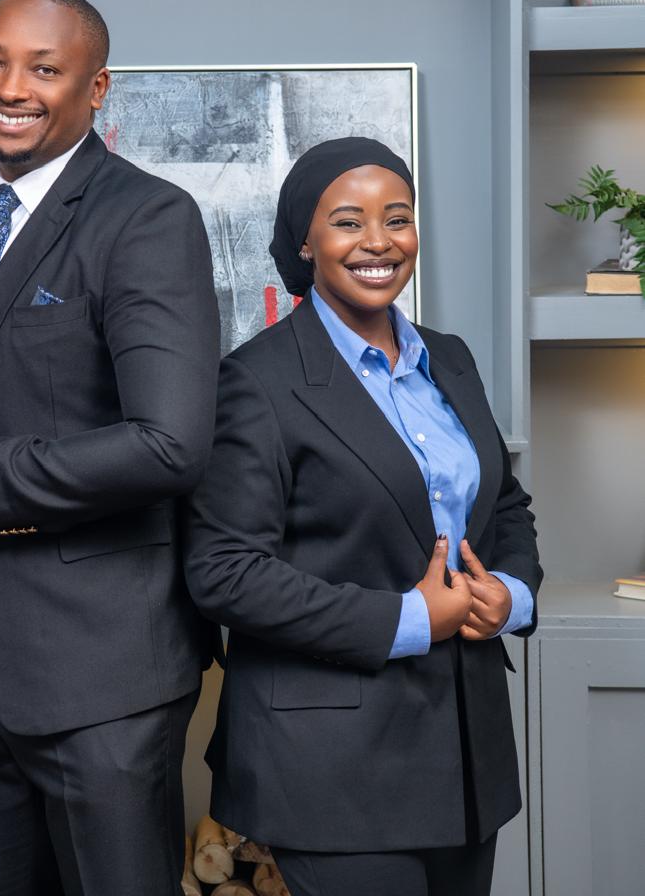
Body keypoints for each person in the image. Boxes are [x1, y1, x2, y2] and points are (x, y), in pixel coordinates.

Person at [0, 0, 220, 896]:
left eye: (44, 68)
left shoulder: (147, 218)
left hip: (97, 668)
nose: (10, 87)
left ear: (96, 87)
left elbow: (171, 443)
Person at [184, 137, 542, 896]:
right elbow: (224, 572)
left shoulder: (450, 358)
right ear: (304, 241)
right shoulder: (255, 381)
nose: (378, 241)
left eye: (397, 219)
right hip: (330, 762)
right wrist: (411, 618)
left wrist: (510, 593)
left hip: (467, 753)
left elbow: (504, 503)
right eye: (348, 222)